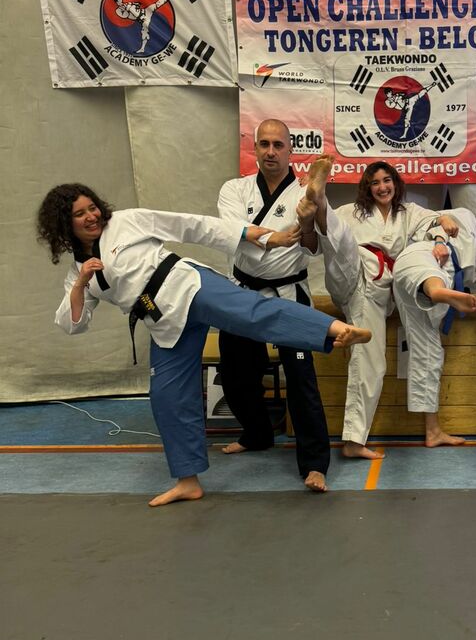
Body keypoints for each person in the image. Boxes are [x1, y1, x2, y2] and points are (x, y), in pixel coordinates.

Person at [37, 183, 371, 508]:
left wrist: (253, 234)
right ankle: (188, 481)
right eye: (80, 214)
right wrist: (81, 283)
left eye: (92, 208)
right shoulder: (78, 272)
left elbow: (191, 225)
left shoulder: (125, 221)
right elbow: (72, 324)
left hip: (188, 286)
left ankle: (334, 329)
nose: (91, 216)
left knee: (252, 313)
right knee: (167, 397)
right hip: (163, 323)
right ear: (64, 224)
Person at [216, 121, 334, 493]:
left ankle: (314, 463)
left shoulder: (305, 192)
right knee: (236, 372)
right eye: (264, 144)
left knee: (301, 378)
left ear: (289, 151)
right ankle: (257, 434)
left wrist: (307, 224)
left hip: (287, 293)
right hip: (243, 292)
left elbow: (313, 247)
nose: (271, 151)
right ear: (254, 149)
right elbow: (233, 232)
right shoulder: (234, 189)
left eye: (278, 145)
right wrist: (276, 239)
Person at [332, 162, 459, 460]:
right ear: (367, 187)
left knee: (428, 345)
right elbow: (322, 225)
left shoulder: (408, 212)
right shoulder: (350, 212)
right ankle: (353, 441)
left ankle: (433, 430)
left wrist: (443, 228)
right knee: (369, 360)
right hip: (363, 284)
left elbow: (438, 221)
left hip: (395, 285)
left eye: (386, 180)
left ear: (396, 183)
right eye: (375, 182)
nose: (382, 187)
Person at [391, 195, 476, 446]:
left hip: (420, 296)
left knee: (430, 356)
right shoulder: (466, 217)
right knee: (432, 270)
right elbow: (440, 224)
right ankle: (439, 291)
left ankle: (433, 432)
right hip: (422, 258)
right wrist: (440, 241)